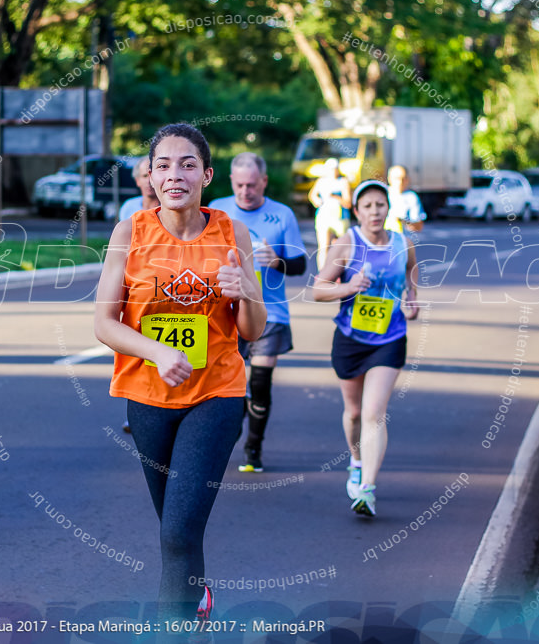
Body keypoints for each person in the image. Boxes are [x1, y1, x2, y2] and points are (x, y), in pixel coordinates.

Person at [94, 123, 265, 628]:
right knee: (173, 526)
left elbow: (252, 330)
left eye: (187, 164)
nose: (175, 174)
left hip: (216, 393)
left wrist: (244, 292)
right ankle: (198, 598)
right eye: (163, 165)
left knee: (178, 535)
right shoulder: (130, 232)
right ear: (150, 175)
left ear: (207, 176)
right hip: (146, 397)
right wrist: (157, 351)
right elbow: (104, 323)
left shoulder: (232, 232)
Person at [311, 180, 418, 517]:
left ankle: (368, 488)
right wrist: (349, 287)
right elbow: (318, 289)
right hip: (350, 339)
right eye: (368, 206)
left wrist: (412, 302)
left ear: (388, 209)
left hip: (389, 338)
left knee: (374, 412)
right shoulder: (347, 243)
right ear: (356, 212)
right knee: (355, 413)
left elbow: (412, 276)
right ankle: (356, 461)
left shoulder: (404, 244)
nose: (375, 212)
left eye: (380, 205)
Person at [209, 152, 307, 472]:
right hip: (226, 314)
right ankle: (228, 435)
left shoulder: (282, 216)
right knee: (229, 386)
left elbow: (301, 265)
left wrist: (276, 259)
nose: (245, 192)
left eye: (251, 185)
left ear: (263, 182)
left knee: (261, 382)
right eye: (239, 185)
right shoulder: (217, 210)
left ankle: (253, 448)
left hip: (271, 313)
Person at [115, 158, 157, 434]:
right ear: (138, 179)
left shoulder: (176, 207)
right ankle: (139, 407)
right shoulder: (129, 210)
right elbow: (120, 250)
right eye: (144, 175)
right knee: (137, 350)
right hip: (138, 286)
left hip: (168, 283)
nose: (149, 181)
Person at [308, 158, 352, 271]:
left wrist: (335, 196)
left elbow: (348, 203)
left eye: (334, 169)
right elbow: (312, 195)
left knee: (341, 247)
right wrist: (316, 201)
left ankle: (341, 272)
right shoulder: (321, 181)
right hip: (324, 216)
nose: (332, 171)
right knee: (323, 247)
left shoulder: (343, 181)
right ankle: (322, 274)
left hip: (340, 218)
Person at [384, 164, 426, 239]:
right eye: (397, 178)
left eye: (403, 178)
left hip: (403, 243)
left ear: (408, 179)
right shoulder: (381, 194)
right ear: (389, 178)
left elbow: (419, 226)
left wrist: (403, 221)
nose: (400, 182)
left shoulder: (411, 197)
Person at [118, 157, 156, 221]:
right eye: (144, 176)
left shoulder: (169, 209)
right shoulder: (128, 207)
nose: (148, 181)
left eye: (152, 176)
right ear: (137, 181)